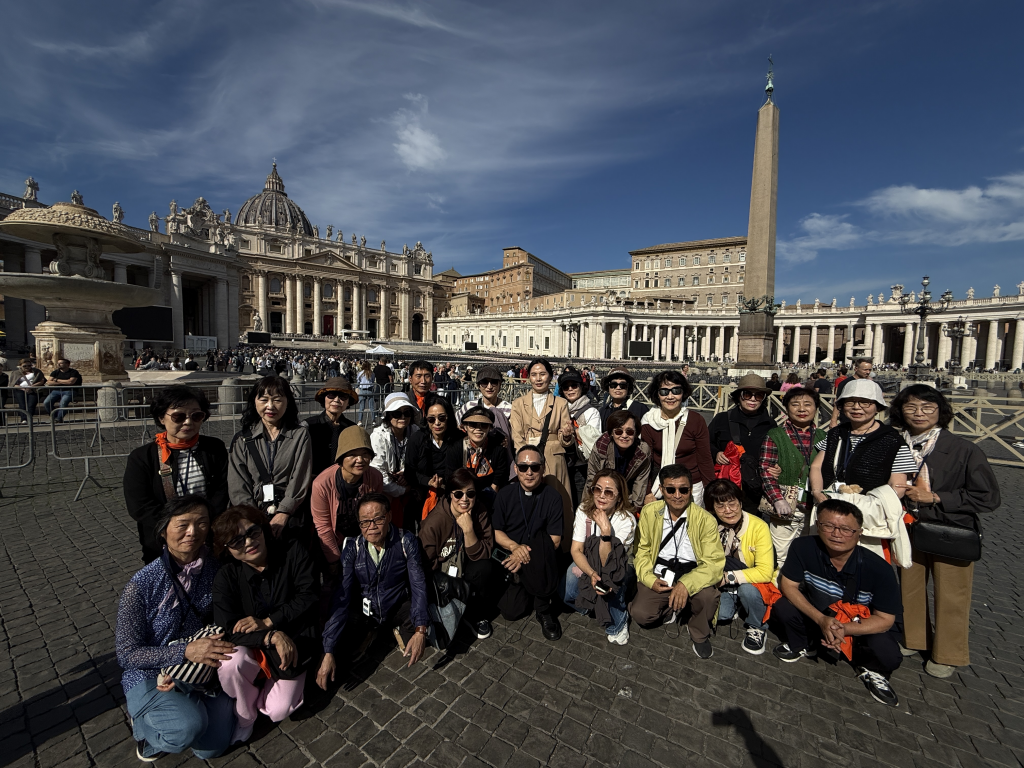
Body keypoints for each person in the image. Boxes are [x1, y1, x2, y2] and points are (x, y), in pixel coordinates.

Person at [889, 384, 1001, 678]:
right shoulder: (894, 443)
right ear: (900, 411)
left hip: (949, 528)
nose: (919, 413)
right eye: (911, 407)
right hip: (907, 526)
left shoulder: (964, 449)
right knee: (909, 588)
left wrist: (937, 497)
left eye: (928, 407)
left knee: (952, 594)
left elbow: (988, 497)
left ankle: (948, 653)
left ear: (941, 412)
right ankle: (915, 638)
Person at [115, 496, 236, 761]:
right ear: (163, 530)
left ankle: (188, 706)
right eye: (183, 524)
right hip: (151, 673)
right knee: (187, 727)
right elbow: (127, 654)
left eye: (201, 523)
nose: (193, 532)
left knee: (212, 748)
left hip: (199, 669)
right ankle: (145, 729)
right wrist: (184, 651)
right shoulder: (141, 585)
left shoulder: (216, 567)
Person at [771, 499, 903, 707]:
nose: (836, 534)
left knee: (888, 653)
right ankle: (805, 643)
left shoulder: (880, 569)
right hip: (820, 616)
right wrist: (821, 619)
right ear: (817, 525)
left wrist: (844, 629)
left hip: (857, 626)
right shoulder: (803, 547)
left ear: (859, 533)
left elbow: (885, 619)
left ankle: (871, 669)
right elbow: (788, 586)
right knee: (782, 606)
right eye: (828, 526)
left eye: (846, 529)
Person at [212, 505, 318, 744]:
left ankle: (261, 689)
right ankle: (245, 715)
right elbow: (228, 628)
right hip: (256, 645)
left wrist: (270, 622)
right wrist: (270, 636)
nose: (249, 542)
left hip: (295, 638)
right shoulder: (226, 577)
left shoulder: (291, 551)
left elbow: (309, 595)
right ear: (227, 548)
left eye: (253, 532)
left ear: (263, 528)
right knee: (230, 663)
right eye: (237, 541)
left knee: (279, 710)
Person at [317, 493, 431, 687]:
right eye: (365, 522)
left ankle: (391, 629)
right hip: (366, 612)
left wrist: (421, 629)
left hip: (397, 605)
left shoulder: (406, 540)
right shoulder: (353, 548)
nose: (371, 527)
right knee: (342, 655)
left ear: (388, 516)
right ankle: (373, 631)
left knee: (423, 638)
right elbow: (341, 597)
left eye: (378, 519)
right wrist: (328, 649)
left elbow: (418, 583)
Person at [809, 379, 915, 564]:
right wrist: (817, 492)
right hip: (832, 511)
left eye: (865, 402)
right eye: (850, 402)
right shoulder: (835, 434)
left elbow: (897, 486)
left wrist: (864, 505)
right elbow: (816, 466)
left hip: (869, 519)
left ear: (877, 407)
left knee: (866, 567)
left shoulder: (893, 440)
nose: (857, 407)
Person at [124, 386, 229, 563]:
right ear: (161, 418)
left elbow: (222, 490)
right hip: (162, 543)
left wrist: (203, 524)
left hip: (207, 538)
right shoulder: (142, 457)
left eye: (196, 416)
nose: (188, 422)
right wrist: (177, 527)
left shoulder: (214, 448)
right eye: (178, 416)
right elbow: (139, 505)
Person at [629, 465, 724, 658]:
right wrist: (649, 579)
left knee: (707, 598)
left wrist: (686, 584)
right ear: (662, 490)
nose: (677, 495)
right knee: (641, 614)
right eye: (671, 490)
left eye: (684, 489)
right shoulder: (649, 512)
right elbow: (642, 550)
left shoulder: (706, 520)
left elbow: (714, 563)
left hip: (693, 572)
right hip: (661, 571)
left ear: (691, 489)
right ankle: (670, 609)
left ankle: (698, 632)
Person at [492, 446, 565, 641]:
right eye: (523, 467)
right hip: (513, 556)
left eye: (534, 467)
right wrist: (515, 548)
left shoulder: (553, 497)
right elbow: (497, 531)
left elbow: (555, 540)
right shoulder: (505, 494)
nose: (529, 472)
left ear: (543, 468)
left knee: (544, 549)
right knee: (511, 611)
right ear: (516, 469)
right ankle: (527, 589)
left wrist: (526, 556)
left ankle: (544, 609)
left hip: (541, 559)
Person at [228, 377, 313, 538]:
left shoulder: (299, 435)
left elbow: (300, 477)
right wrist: (254, 519)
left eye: (277, 400)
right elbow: (237, 485)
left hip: (290, 516)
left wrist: (284, 512)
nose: (270, 406)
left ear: (287, 402)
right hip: (251, 517)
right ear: (254, 401)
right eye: (264, 399)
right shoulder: (242, 439)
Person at [561, 469, 637, 645]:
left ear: (619, 497)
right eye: (597, 489)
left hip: (616, 566)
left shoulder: (627, 521)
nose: (601, 496)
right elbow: (576, 550)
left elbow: (609, 564)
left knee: (609, 586)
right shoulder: (584, 510)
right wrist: (591, 573)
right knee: (567, 591)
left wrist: (605, 532)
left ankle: (619, 622)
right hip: (588, 561)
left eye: (609, 492)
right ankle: (592, 605)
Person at [419, 467, 496, 640]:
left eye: (470, 494)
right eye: (458, 494)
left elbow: (484, 553)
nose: (464, 499)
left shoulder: (480, 511)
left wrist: (468, 530)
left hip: (467, 566)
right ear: (449, 495)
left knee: (484, 567)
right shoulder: (434, 523)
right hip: (442, 575)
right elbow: (425, 565)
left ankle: (474, 614)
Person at [703, 479, 775, 655]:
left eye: (732, 503)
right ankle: (736, 603)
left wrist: (727, 577)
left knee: (748, 591)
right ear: (712, 509)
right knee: (721, 615)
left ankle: (757, 626)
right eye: (720, 506)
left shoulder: (759, 526)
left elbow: (765, 572)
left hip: (751, 581)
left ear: (740, 502)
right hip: (723, 580)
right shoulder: (710, 525)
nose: (728, 510)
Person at [509, 358, 575, 539]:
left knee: (557, 501)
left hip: (553, 458)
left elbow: (565, 437)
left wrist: (567, 435)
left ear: (550, 377)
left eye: (542, 374)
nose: (538, 379)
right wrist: (525, 458)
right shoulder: (518, 403)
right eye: (534, 374)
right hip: (527, 458)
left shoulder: (560, 403)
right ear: (528, 377)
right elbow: (517, 435)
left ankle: (561, 543)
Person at [758, 386, 825, 566]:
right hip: (785, 506)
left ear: (816, 408)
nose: (802, 409)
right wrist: (777, 499)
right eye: (795, 404)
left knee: (810, 555)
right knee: (781, 556)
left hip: (814, 507)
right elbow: (766, 470)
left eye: (808, 404)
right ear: (787, 409)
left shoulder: (823, 436)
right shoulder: (776, 435)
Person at [311, 425, 385, 569]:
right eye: (352, 454)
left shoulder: (375, 477)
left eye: (365, 454)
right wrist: (335, 561)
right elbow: (323, 527)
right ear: (341, 458)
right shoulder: (322, 484)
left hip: (363, 540)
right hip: (333, 542)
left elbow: (377, 515)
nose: (360, 460)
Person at [640, 370, 714, 507]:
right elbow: (646, 462)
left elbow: (704, 458)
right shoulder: (648, 422)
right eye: (664, 391)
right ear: (657, 394)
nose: (670, 396)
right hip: (661, 485)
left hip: (691, 485)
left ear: (683, 393)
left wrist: (711, 491)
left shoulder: (696, 420)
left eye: (676, 391)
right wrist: (648, 492)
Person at [708, 374, 777, 516]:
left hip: (754, 487)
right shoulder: (721, 419)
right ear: (739, 396)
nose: (753, 399)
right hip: (727, 485)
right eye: (747, 394)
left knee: (751, 524)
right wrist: (716, 453)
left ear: (763, 398)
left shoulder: (770, 424)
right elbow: (706, 443)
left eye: (759, 395)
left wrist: (777, 467)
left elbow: (776, 452)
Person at [406, 394, 463, 522]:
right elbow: (409, 473)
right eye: (431, 419)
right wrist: (428, 481)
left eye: (441, 418)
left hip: (453, 495)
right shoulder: (417, 439)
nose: (437, 423)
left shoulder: (459, 438)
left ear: (448, 417)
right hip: (423, 495)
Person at [586, 410, 652, 514]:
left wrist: (634, 509)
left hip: (627, 495)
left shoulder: (642, 452)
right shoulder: (601, 447)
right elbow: (592, 478)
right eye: (618, 431)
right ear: (612, 433)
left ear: (636, 433)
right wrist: (589, 506)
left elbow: (640, 483)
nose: (624, 435)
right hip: (602, 494)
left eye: (629, 432)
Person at [370, 393, 419, 528]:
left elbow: (420, 460)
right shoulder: (378, 436)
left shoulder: (415, 431)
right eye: (397, 414)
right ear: (388, 416)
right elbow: (378, 472)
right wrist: (402, 490)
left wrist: (407, 474)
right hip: (387, 495)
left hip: (410, 493)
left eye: (407, 413)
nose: (403, 417)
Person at [559, 366, 602, 510]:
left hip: (581, 467)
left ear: (581, 387)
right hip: (562, 465)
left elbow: (594, 440)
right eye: (566, 387)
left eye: (574, 385)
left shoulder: (592, 412)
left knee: (581, 506)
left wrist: (575, 431)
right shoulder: (558, 410)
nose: (570, 389)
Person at [303, 376, 358, 478]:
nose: (336, 400)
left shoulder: (352, 429)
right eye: (331, 395)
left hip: (342, 481)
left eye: (343, 397)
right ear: (324, 398)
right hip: (313, 481)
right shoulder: (308, 426)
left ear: (348, 402)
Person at [459, 405, 511, 501]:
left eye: (484, 425)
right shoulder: (456, 447)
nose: (478, 429)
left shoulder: (498, 449)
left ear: (490, 428)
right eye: (473, 424)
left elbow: (496, 482)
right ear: (465, 427)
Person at [830, 357, 874, 428]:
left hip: (866, 420)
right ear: (856, 369)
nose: (868, 372)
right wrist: (833, 420)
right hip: (848, 419)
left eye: (870, 370)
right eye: (865, 370)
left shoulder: (871, 383)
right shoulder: (846, 383)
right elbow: (838, 402)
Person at [42, 357, 81, 423]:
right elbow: (48, 382)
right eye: (58, 363)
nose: (58, 364)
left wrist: (56, 380)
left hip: (69, 390)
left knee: (63, 403)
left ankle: (59, 418)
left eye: (61, 363)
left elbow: (71, 382)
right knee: (46, 402)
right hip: (56, 390)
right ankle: (54, 416)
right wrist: (64, 382)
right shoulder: (55, 372)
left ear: (67, 364)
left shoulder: (73, 372)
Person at [11, 358, 45, 422]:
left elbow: (41, 381)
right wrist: (23, 389)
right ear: (20, 366)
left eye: (29, 365)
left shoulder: (37, 372)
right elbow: (13, 384)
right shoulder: (15, 373)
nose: (27, 367)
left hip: (34, 389)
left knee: (31, 405)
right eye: (25, 366)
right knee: (22, 405)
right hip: (20, 390)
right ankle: (23, 419)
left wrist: (31, 387)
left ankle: (29, 418)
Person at [355, 361, 374, 428]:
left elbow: (358, 381)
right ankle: (373, 420)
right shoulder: (372, 373)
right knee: (371, 407)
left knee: (361, 407)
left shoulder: (360, 373)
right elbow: (373, 380)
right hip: (369, 389)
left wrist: (356, 388)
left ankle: (360, 421)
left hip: (362, 390)